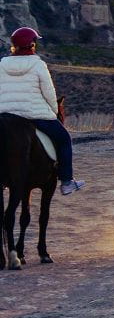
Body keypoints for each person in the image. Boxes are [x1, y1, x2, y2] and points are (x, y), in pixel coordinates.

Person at [0, 27, 85, 195]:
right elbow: (49, 92)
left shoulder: (2, 64)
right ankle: (67, 182)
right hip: (35, 115)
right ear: (32, 44)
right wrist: (54, 111)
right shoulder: (39, 64)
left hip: (6, 115)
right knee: (64, 139)